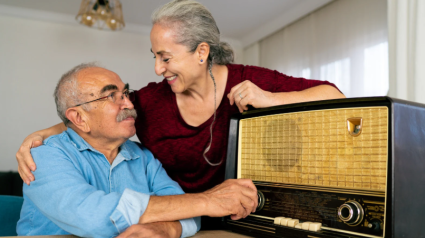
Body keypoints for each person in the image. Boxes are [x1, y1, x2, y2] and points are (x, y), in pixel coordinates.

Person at [16, 0, 344, 229]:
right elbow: (98, 115)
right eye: (154, 56)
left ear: (202, 52)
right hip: (184, 217)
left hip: (241, 217)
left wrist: (269, 98)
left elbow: (334, 96)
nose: (158, 69)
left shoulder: (249, 79)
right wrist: (44, 134)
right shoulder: (150, 100)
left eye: (166, 57)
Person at [17, 63, 258, 238]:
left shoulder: (143, 156)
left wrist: (166, 228)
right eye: (112, 96)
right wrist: (208, 201)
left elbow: (186, 210)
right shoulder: (44, 156)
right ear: (79, 117)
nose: (130, 104)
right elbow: (93, 217)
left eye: (126, 94)